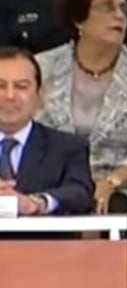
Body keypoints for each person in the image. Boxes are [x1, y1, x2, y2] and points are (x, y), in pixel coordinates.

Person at [35, 0, 127, 214]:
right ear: (79, 19)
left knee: (105, 208)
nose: (119, 16)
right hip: (52, 188)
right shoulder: (42, 68)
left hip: (120, 193)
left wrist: (111, 182)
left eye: (123, 8)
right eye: (107, 7)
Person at [0, 46, 93, 215]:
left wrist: (37, 203)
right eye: (1, 86)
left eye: (21, 86)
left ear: (39, 95)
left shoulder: (67, 147)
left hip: (42, 241)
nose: (10, 96)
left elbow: (80, 193)